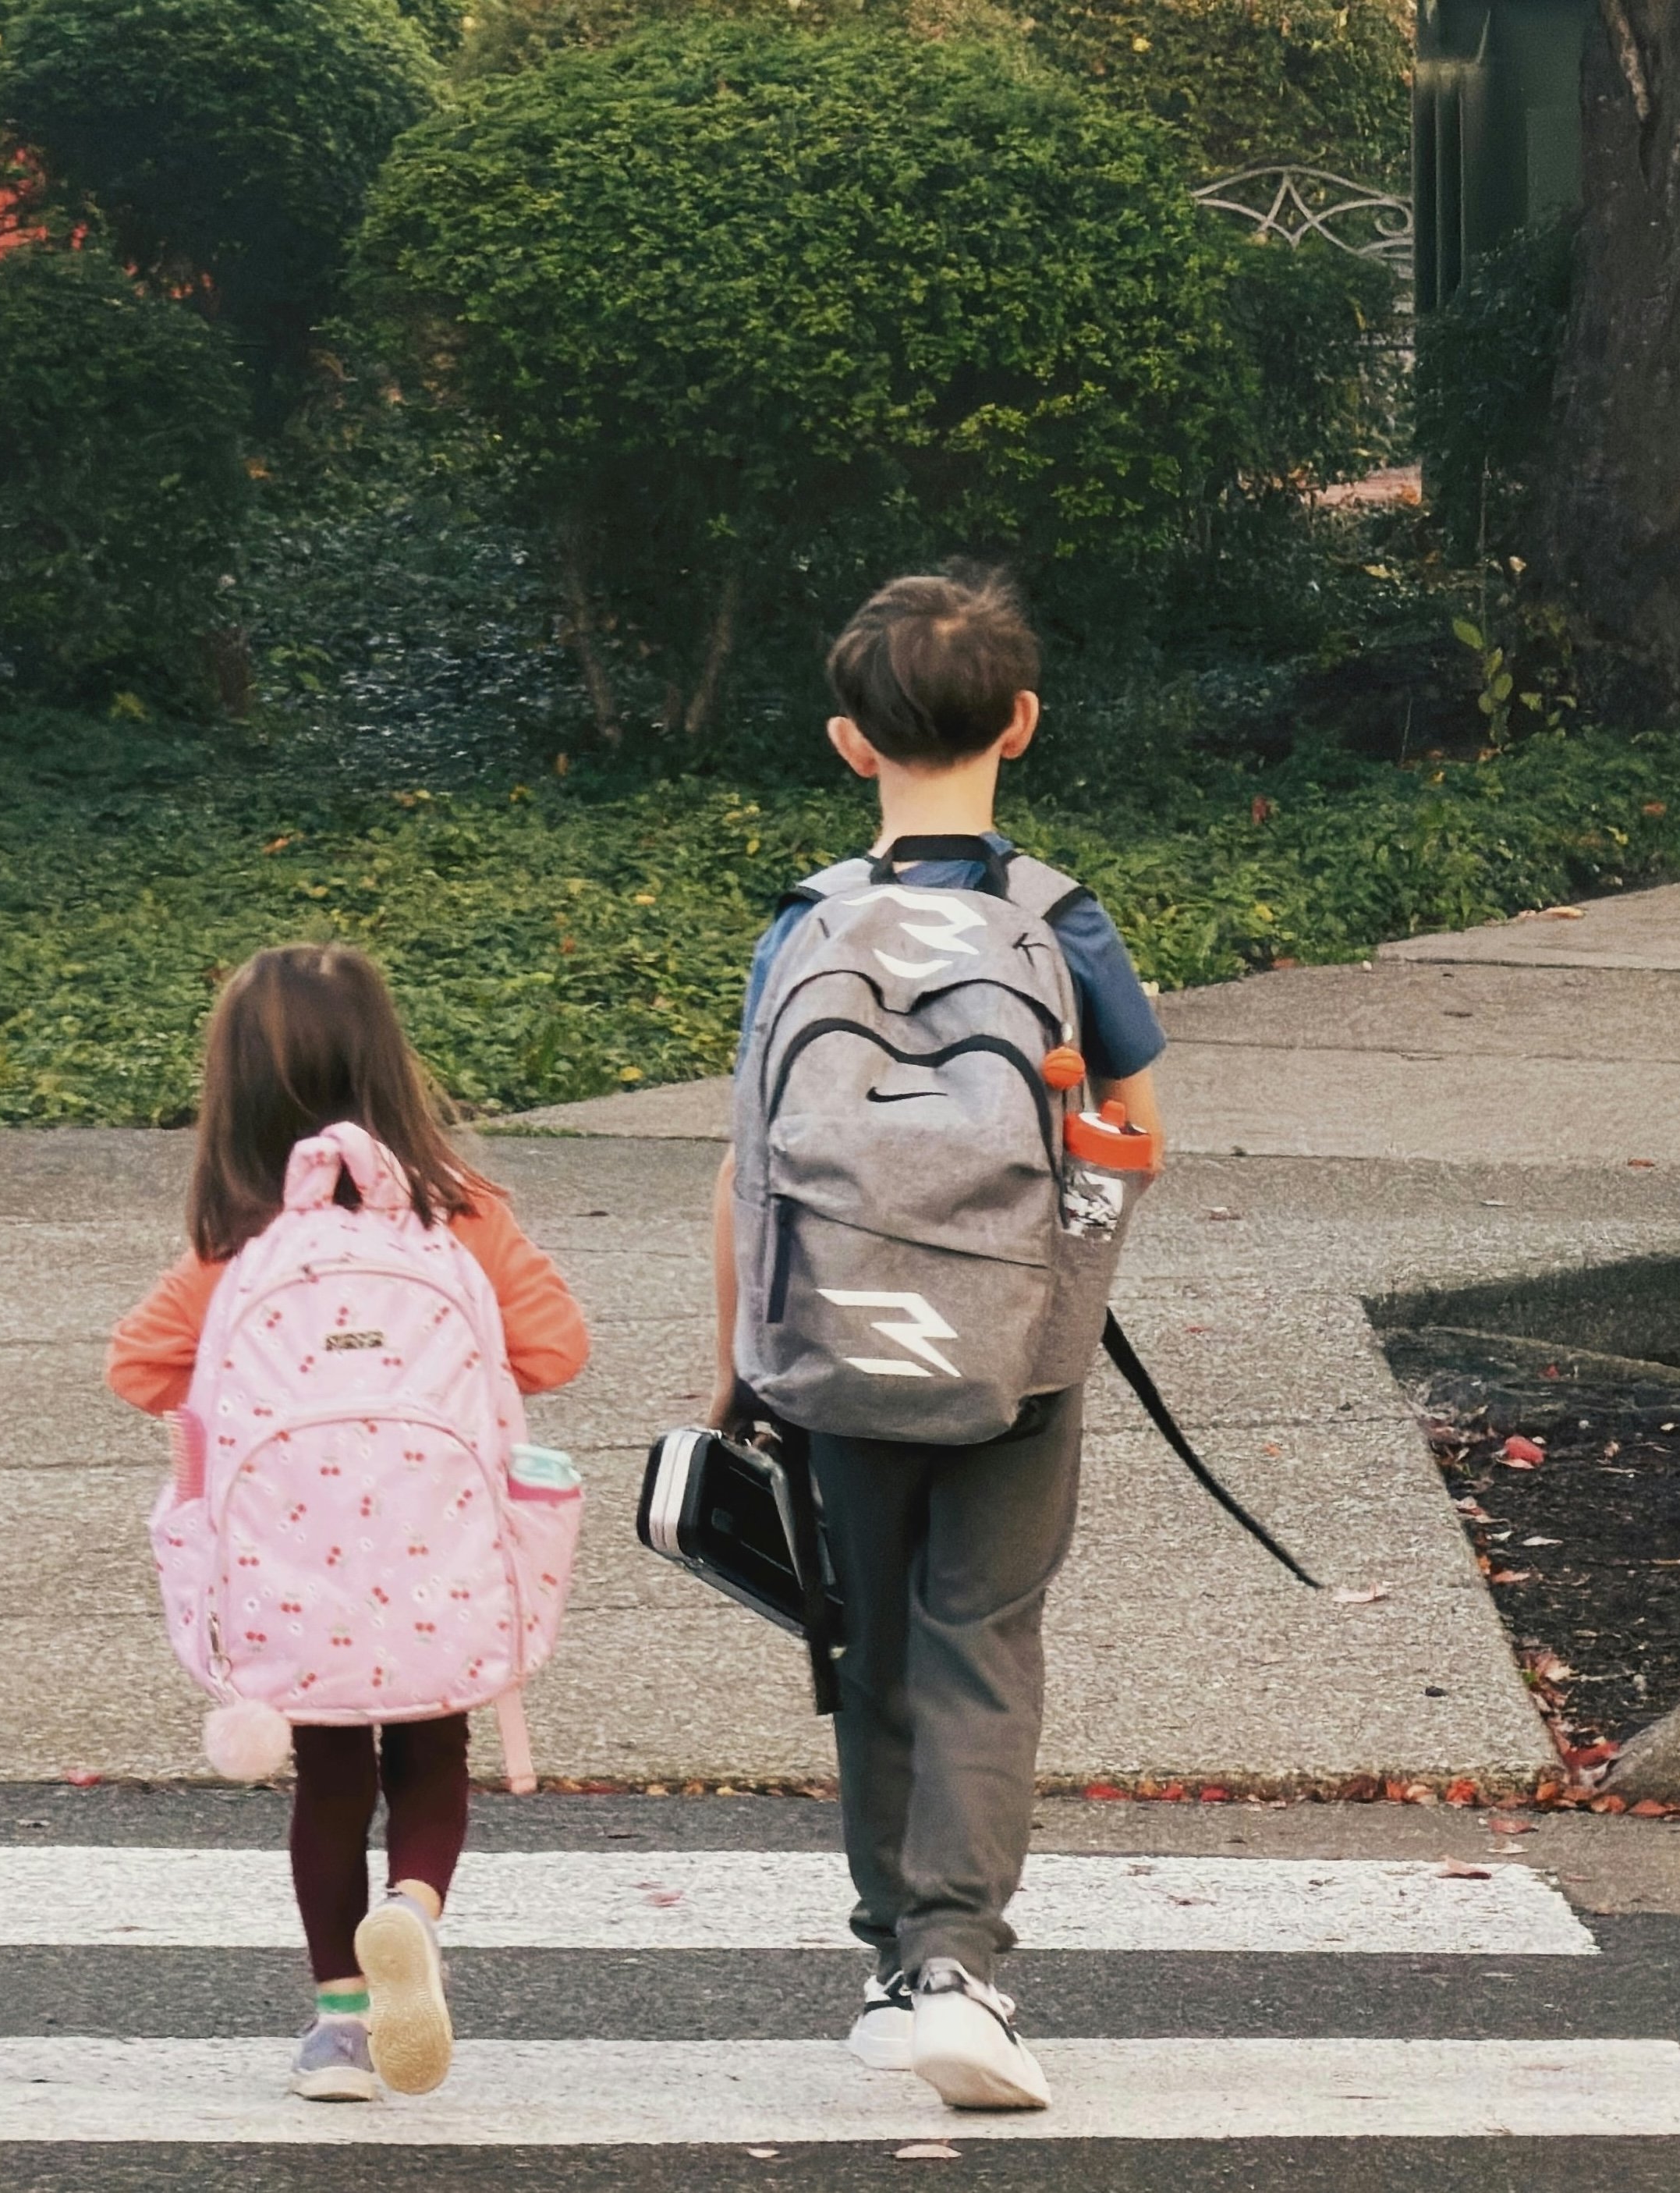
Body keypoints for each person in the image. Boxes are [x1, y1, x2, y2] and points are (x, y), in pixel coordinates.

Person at [710, 571, 1166, 2111]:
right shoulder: (1058, 921)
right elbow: (1126, 1135)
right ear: (1021, 723)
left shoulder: (802, 927)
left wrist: (737, 1364)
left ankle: (889, 1952)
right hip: (1009, 1353)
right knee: (981, 1633)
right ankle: (959, 1959)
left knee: (870, 1643)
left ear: (849, 743)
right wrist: (1056, 1311)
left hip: (829, 1340)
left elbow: (747, 1166)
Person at [108, 944, 590, 2103]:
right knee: (433, 1755)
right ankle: (412, 1912)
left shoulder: (236, 1244)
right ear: (391, 1069)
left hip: (295, 1577)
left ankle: (337, 2027)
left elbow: (137, 1369)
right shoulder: (458, 1216)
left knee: (329, 1783)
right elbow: (557, 1347)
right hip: (444, 1562)